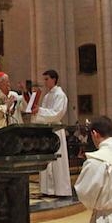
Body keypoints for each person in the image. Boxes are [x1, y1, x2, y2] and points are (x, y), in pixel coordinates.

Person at [32, 69, 72, 197]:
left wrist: (40, 111)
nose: (45, 82)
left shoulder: (60, 95)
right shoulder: (48, 95)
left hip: (55, 130)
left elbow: (57, 113)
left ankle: (60, 190)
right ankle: (47, 189)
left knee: (57, 162)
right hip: (47, 130)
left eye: (46, 79)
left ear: (54, 79)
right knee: (47, 161)